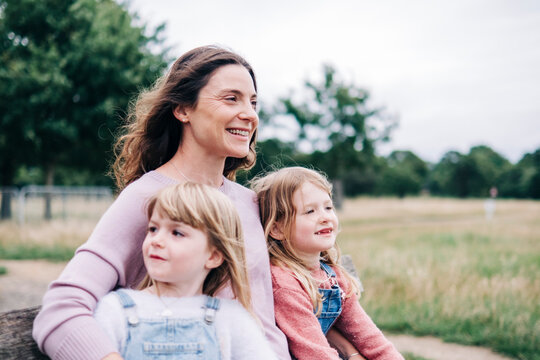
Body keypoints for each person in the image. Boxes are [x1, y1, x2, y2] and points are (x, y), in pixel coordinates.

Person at [33, 45, 291, 360]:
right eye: (231, 98)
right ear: (183, 109)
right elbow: (61, 310)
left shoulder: (249, 202)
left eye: (253, 102)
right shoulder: (147, 198)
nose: (250, 115)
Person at [93, 182, 277, 359]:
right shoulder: (116, 310)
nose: (156, 240)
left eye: (177, 233)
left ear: (213, 256)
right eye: (153, 229)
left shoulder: (231, 319)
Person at [251, 167, 404, 360]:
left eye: (328, 207)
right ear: (277, 228)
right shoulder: (284, 283)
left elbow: (370, 338)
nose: (325, 217)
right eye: (310, 211)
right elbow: (316, 354)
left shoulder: (334, 276)